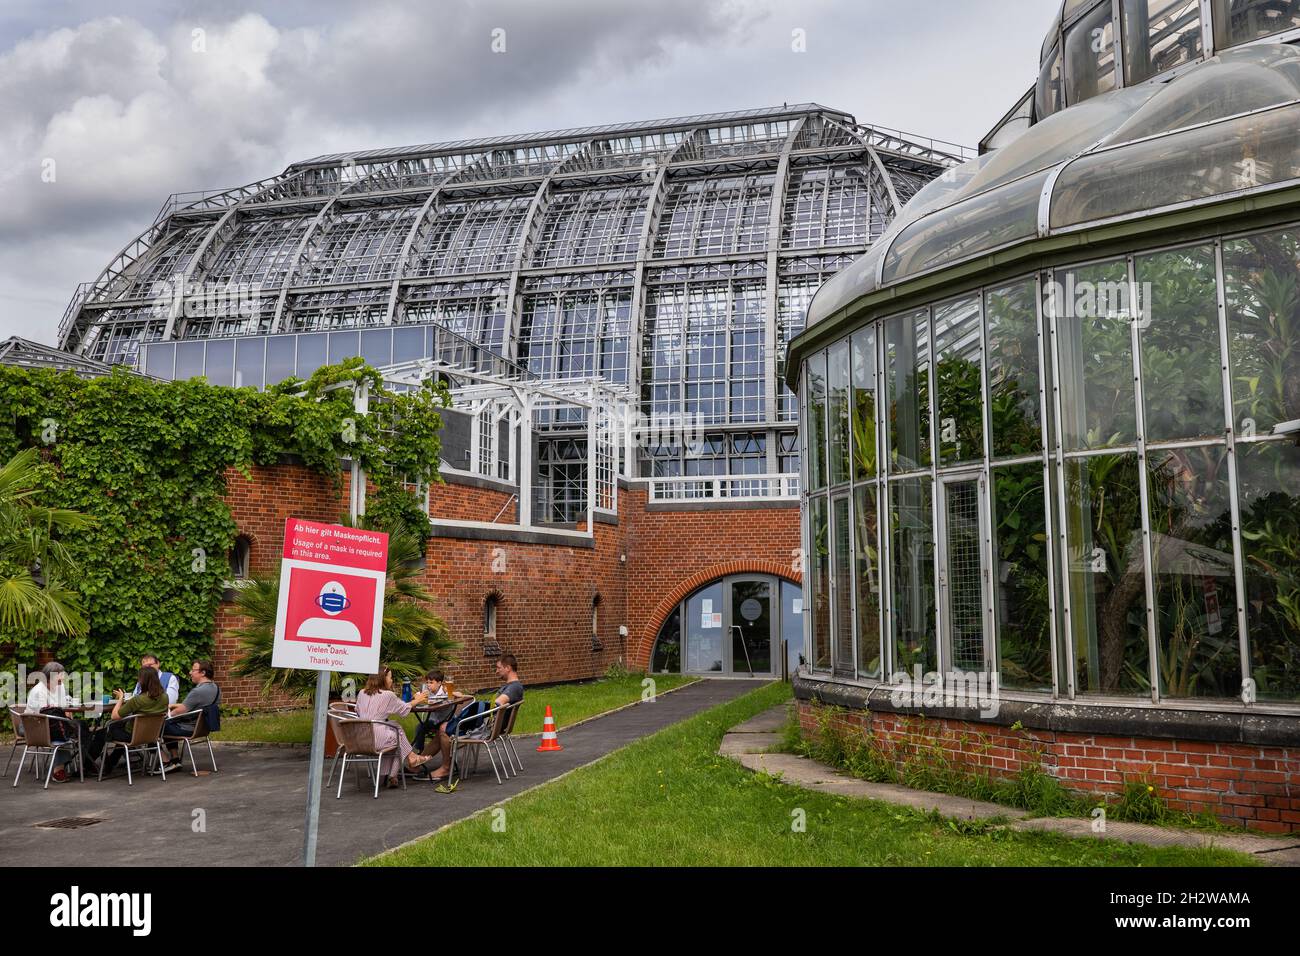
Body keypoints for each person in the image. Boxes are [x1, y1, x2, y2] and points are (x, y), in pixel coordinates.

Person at [428, 654, 523, 783]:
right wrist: (464, 697)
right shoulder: (513, 686)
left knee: (443, 728)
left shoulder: (513, 688)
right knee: (444, 727)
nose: (496, 671)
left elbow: (496, 705)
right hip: (492, 726)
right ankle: (417, 763)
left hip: (487, 729)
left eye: (498, 668)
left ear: (508, 668)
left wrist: (467, 715)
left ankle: (445, 767)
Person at [353, 666, 435, 787]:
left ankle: (392, 776)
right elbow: (403, 710)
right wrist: (417, 700)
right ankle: (407, 761)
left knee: (395, 728)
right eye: (390, 677)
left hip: (360, 738)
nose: (392, 680)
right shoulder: (388, 695)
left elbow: (358, 711)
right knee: (397, 738)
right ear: (383, 678)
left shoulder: (361, 692)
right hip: (376, 739)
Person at [99, 667, 171, 777]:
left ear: (143, 681)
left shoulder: (138, 700)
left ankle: (89, 764)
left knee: (107, 730)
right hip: (152, 735)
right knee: (117, 728)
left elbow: (114, 716)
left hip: (133, 736)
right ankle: (110, 763)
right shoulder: (165, 697)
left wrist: (120, 698)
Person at [151, 660, 220, 774]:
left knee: (155, 726)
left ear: (202, 673)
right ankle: (175, 759)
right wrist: (172, 705)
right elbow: (197, 705)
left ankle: (167, 761)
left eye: (193, 670)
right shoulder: (215, 688)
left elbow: (179, 711)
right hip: (202, 727)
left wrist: (166, 714)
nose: (190, 672)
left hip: (188, 728)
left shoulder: (198, 691)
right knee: (167, 724)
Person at [24, 661, 83, 782]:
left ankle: (86, 764)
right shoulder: (38, 691)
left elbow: (64, 707)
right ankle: (58, 769)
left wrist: (68, 718)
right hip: (33, 725)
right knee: (60, 730)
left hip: (54, 722)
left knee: (82, 727)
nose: (62, 680)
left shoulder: (60, 687)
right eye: (59, 677)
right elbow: (40, 716)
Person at [411, 670, 449, 757]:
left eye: (431, 682)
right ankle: (420, 750)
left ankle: (420, 753)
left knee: (421, 727)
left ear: (439, 683)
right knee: (420, 727)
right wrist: (416, 697)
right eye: (427, 682)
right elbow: (415, 696)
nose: (428, 685)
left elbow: (447, 699)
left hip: (444, 720)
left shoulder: (444, 692)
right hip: (433, 720)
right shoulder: (427, 691)